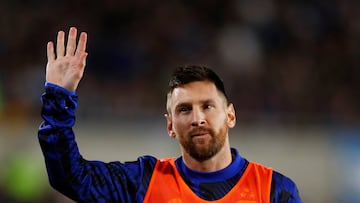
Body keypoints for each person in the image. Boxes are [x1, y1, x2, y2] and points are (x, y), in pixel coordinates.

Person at [38, 27, 302, 203]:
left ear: (230, 115)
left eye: (208, 106)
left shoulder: (274, 191)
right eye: (184, 109)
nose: (197, 118)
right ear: (170, 125)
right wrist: (59, 97)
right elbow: (70, 177)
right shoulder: (143, 182)